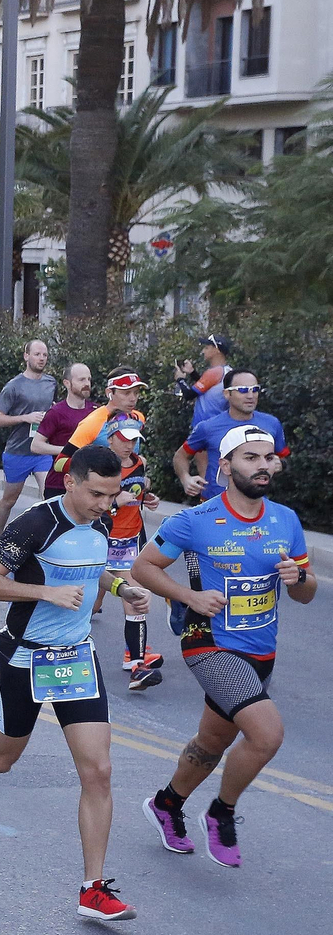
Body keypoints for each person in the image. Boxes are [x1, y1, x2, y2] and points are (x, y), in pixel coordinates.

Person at [0, 445, 150, 923]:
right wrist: (44, 592)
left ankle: (93, 888)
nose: (104, 505)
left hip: (77, 657)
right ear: (70, 481)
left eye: (112, 496)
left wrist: (120, 587)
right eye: (96, 493)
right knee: (2, 759)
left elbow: (92, 570)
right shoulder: (36, 523)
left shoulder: (102, 522)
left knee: (99, 771)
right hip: (24, 655)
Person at [132, 425, 315, 869]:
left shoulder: (285, 521)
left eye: (267, 458)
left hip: (261, 649)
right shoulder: (194, 521)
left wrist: (300, 579)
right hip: (208, 642)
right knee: (266, 734)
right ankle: (221, 812)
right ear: (225, 466)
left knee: (211, 744)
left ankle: (166, 804)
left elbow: (305, 593)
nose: (263, 466)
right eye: (250, 458)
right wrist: (189, 597)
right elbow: (143, 567)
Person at [102, 420, 164, 690]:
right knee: (81, 601)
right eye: (123, 439)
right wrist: (115, 502)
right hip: (101, 539)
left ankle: (137, 664)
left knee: (136, 600)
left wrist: (148, 499)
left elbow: (138, 493)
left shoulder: (139, 463)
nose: (129, 445)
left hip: (129, 541)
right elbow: (85, 501)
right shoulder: (101, 465)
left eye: (133, 440)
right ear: (111, 437)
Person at [173, 369, 287, 502]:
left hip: (255, 504)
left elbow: (283, 458)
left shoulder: (271, 424)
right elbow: (180, 456)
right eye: (243, 390)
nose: (250, 395)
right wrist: (185, 478)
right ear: (227, 394)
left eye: (255, 389)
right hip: (214, 503)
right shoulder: (208, 427)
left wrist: (280, 463)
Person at [0, 340, 57, 530]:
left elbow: (54, 407)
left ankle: (48, 539)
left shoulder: (51, 382)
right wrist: (25, 418)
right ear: (26, 356)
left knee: (50, 496)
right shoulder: (13, 386)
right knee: (9, 500)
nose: (42, 358)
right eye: (37, 354)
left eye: (44, 355)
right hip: (18, 451)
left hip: (42, 450)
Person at [30, 363, 97, 501]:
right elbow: (36, 446)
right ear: (67, 383)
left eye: (89, 379)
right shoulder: (56, 412)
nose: (87, 383)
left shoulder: (97, 411)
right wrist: (69, 450)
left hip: (89, 484)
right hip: (59, 484)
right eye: (81, 380)